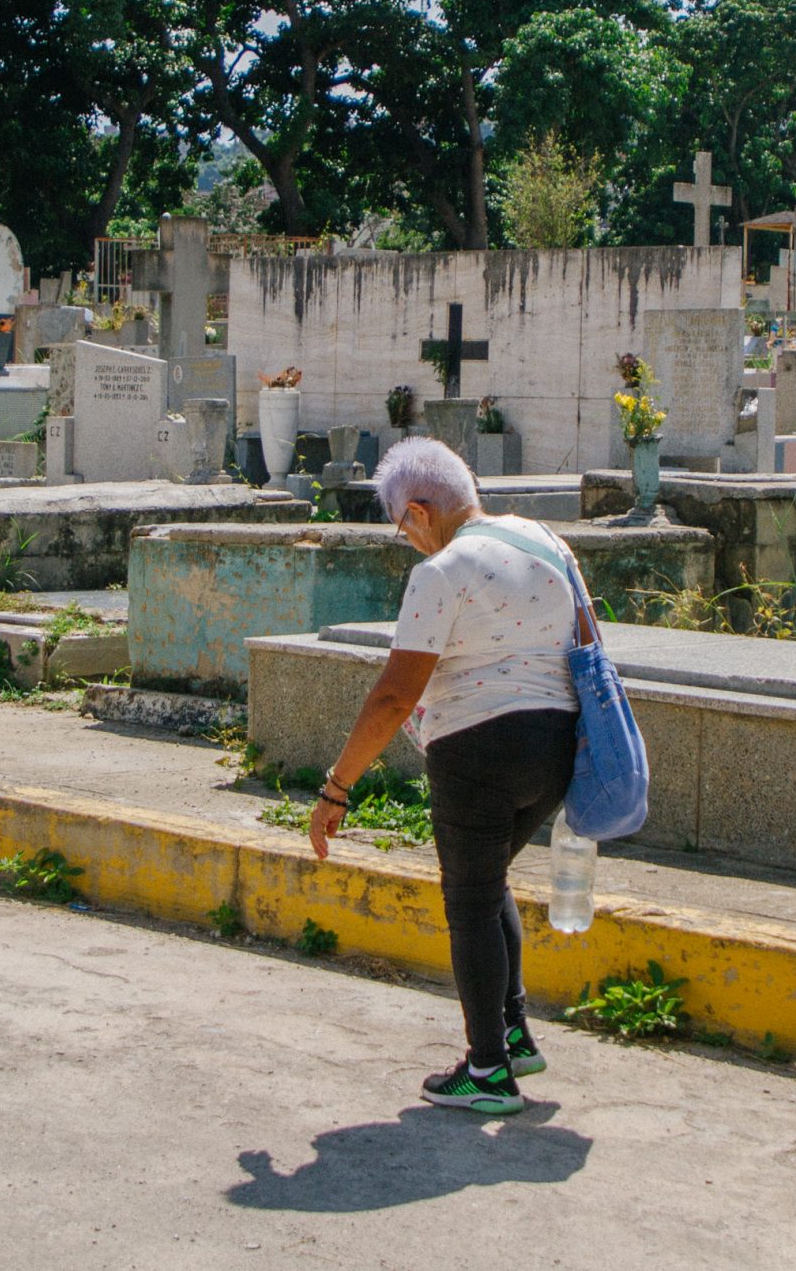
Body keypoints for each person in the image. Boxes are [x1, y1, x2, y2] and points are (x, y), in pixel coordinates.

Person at [306, 438, 583, 1116]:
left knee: (469, 901)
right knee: (489, 883)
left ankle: (487, 1069)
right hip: (556, 748)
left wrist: (337, 785)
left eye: (402, 527)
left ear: (421, 512)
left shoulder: (442, 571)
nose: (407, 540)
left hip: (478, 751)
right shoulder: (546, 541)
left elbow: (394, 696)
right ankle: (512, 1035)